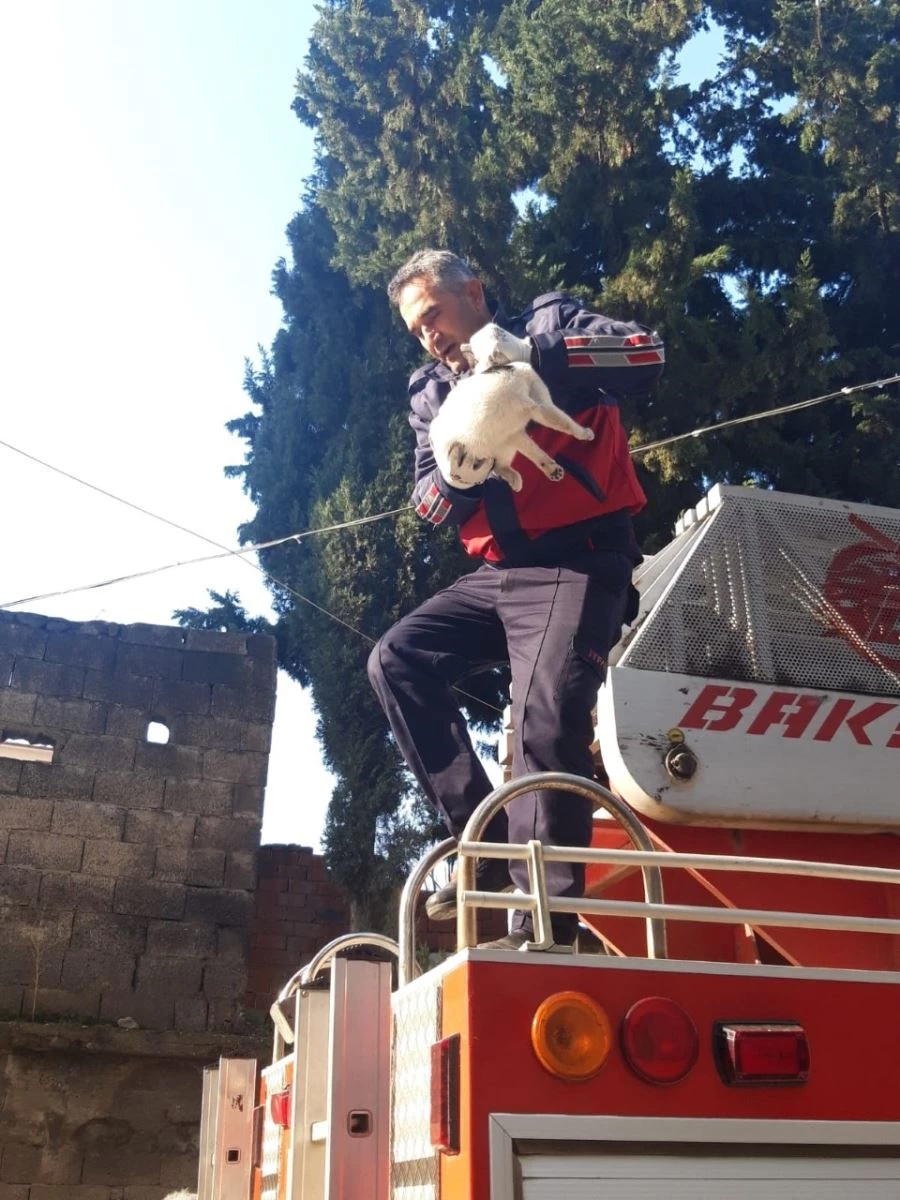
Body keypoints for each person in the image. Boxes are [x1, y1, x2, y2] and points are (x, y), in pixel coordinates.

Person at [367, 249, 664, 949]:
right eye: (416, 329)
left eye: (433, 314)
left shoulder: (551, 321)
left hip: (581, 560)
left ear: (473, 292)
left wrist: (537, 356)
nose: (429, 336)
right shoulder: (430, 395)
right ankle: (488, 844)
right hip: (500, 575)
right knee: (395, 660)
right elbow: (428, 505)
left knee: (544, 716)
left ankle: (546, 930)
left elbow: (645, 354)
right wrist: (456, 469)